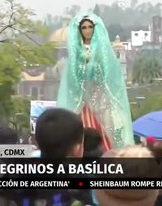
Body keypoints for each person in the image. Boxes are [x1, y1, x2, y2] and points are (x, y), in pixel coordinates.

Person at [57, 12, 134, 150]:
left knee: (109, 129)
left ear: (95, 28)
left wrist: (93, 67)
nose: (87, 30)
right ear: (79, 31)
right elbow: (71, 79)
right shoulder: (76, 53)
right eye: (84, 28)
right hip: (81, 101)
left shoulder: (101, 51)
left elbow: (107, 75)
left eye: (90, 27)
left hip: (99, 99)